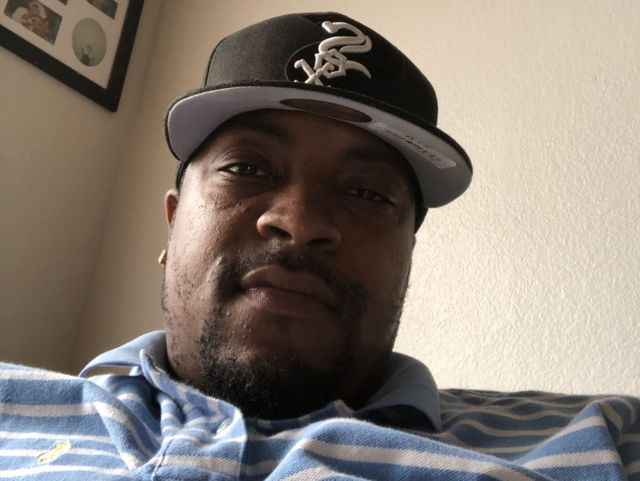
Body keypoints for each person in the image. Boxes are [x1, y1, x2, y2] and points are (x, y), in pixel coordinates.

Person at [1, 12, 639, 481]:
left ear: (408, 258)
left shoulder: (608, 440)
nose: (300, 222)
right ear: (172, 225)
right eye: (247, 168)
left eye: (367, 193)